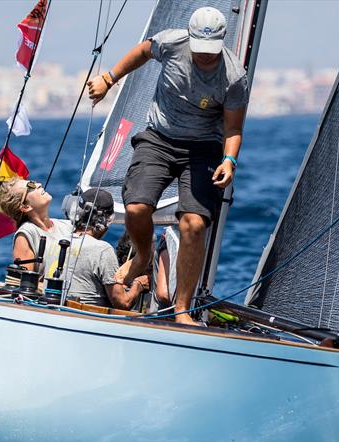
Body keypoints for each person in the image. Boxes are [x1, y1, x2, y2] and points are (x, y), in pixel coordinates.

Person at [86, 6, 249, 326]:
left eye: (211, 51)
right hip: (159, 139)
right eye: (199, 50)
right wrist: (108, 79)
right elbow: (143, 51)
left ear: (222, 41)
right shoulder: (172, 43)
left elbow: (233, 129)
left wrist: (229, 161)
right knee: (135, 208)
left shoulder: (233, 77)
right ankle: (143, 256)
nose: (204, 57)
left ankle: (182, 309)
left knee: (194, 224)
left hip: (203, 149)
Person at [0, 179, 148, 309]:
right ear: (25, 207)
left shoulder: (65, 226)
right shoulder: (26, 234)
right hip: (55, 304)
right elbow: (26, 286)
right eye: (30, 186)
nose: (38, 184)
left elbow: (91, 259)